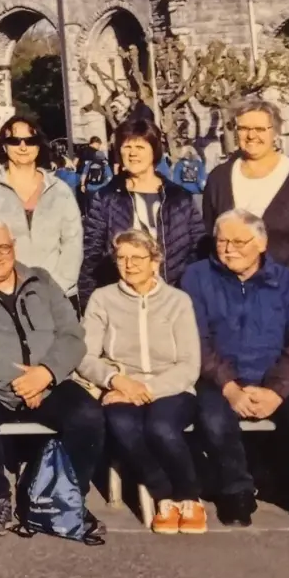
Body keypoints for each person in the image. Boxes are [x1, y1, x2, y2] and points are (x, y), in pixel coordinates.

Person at [0, 216, 103, 538]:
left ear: (14, 246)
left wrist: (46, 374)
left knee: (87, 415)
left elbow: (72, 336)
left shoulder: (41, 281)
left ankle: (66, 496)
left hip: (45, 380)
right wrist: (20, 381)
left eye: (3, 247)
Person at [180, 209, 289, 533]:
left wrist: (276, 391)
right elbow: (196, 339)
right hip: (217, 376)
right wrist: (230, 387)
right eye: (222, 241)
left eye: (240, 241)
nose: (229, 248)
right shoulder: (196, 277)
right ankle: (236, 492)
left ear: (262, 243)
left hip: (276, 376)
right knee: (214, 419)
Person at [78, 229, 205, 535]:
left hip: (170, 388)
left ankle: (189, 496)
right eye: (122, 258)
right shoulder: (103, 299)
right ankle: (164, 496)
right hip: (121, 387)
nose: (129, 264)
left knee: (161, 428)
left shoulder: (178, 301)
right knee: (122, 425)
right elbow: (85, 356)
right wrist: (117, 381)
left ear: (155, 261)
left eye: (137, 258)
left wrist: (146, 390)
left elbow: (189, 364)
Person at [201, 97, 289, 288]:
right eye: (244, 128)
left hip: (287, 289)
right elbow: (210, 233)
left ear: (275, 132)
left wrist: (285, 282)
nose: (251, 136)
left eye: (260, 129)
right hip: (231, 290)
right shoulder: (219, 178)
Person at [80, 119, 205, 296]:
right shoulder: (106, 198)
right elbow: (91, 257)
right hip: (122, 299)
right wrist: (89, 304)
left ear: (154, 151)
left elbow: (198, 252)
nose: (132, 154)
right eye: (127, 147)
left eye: (140, 148)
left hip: (173, 297)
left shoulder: (179, 198)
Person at [0, 115, 83, 302]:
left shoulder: (60, 190)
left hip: (58, 295)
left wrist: (56, 287)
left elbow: (72, 244)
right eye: (15, 141)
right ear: (4, 146)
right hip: (5, 297)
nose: (23, 147)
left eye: (30, 141)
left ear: (39, 145)